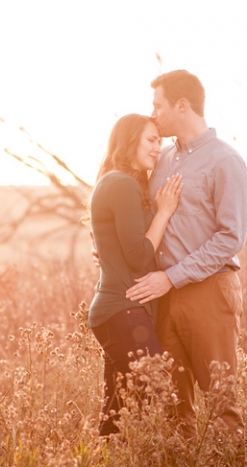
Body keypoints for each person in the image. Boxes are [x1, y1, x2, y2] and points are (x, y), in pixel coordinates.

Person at [125, 70, 247, 441]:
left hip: (208, 291)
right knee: (173, 406)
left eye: (157, 105)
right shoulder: (159, 159)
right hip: (162, 297)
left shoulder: (225, 162)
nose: (153, 113)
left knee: (221, 403)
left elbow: (230, 238)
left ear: (182, 105)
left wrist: (172, 277)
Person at [88, 113, 182, 436]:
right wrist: (165, 213)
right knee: (159, 394)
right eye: (151, 140)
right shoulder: (121, 184)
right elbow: (139, 255)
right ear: (130, 141)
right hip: (122, 312)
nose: (158, 147)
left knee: (117, 413)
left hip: (117, 311)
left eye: (160, 140)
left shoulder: (118, 182)